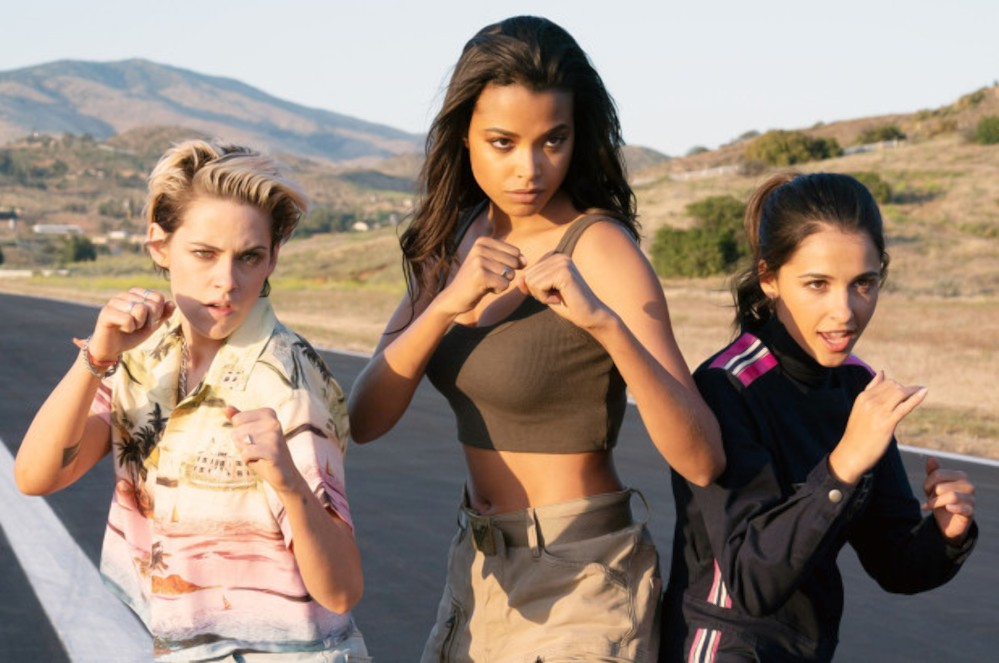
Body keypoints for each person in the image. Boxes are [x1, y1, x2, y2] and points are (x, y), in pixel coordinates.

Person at [347, 15, 724, 662]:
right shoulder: (452, 238)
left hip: (581, 579)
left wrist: (604, 325)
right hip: (476, 573)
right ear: (463, 136)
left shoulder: (600, 247)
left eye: (553, 140)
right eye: (502, 142)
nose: (529, 168)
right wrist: (444, 305)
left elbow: (701, 458)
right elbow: (365, 419)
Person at [15, 140, 369, 662]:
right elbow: (37, 476)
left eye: (249, 257)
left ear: (272, 258)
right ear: (160, 247)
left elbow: (341, 591)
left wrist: (290, 485)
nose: (226, 282)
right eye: (204, 253)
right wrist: (97, 356)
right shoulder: (143, 352)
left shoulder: (287, 384)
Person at [660, 171, 978, 662]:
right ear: (769, 278)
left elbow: (894, 562)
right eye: (817, 284)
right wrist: (842, 466)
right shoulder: (728, 386)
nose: (845, 311)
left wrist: (946, 533)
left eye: (863, 284)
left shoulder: (856, 386)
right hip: (725, 645)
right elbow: (751, 581)